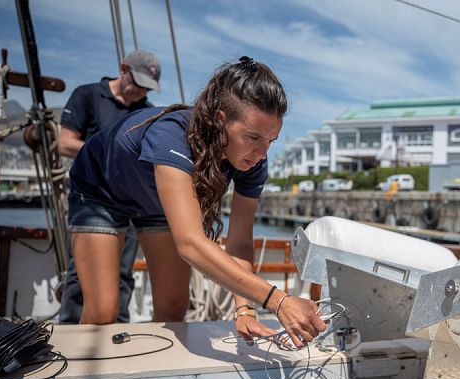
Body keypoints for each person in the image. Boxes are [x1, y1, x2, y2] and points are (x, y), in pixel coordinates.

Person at [68, 57, 325, 348]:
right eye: (253, 137)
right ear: (219, 119)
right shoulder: (172, 136)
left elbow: (239, 241)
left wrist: (245, 308)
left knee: (174, 308)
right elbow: (190, 244)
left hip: (155, 202)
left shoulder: (253, 161)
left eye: (270, 141)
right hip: (100, 189)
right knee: (102, 310)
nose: (262, 153)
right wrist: (278, 300)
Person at [58, 50, 161, 323]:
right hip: (94, 196)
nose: (141, 91)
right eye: (138, 83)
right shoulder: (88, 95)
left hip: (130, 199)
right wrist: (109, 153)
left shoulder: (147, 112)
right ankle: (71, 330)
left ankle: (117, 329)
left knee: (123, 272)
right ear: (123, 68)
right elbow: (65, 142)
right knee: (82, 274)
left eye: (147, 88)